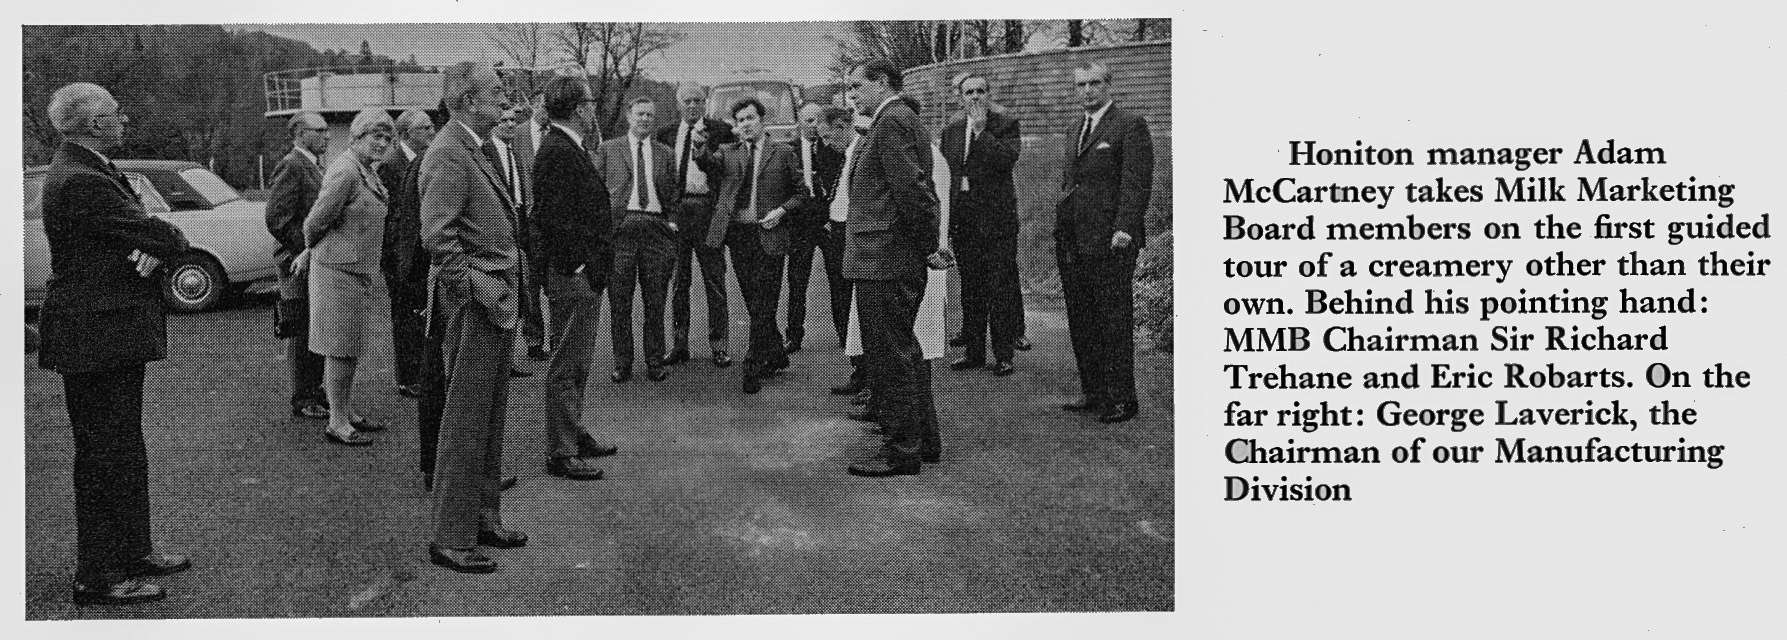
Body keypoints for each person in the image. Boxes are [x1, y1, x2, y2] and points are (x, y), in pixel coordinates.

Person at [38, 82, 193, 605]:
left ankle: (131, 552)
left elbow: (144, 235)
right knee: (105, 455)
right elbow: (162, 235)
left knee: (123, 448)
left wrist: (148, 244)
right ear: (93, 124)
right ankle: (98, 576)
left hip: (107, 333)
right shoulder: (81, 179)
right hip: (95, 335)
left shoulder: (89, 168)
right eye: (115, 114)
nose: (123, 120)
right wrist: (154, 243)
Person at [417, 62, 528, 573]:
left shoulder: (471, 148)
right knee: (464, 422)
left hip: (495, 301)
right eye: (496, 95)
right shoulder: (447, 153)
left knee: (489, 417)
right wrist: (478, 287)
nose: (503, 103)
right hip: (476, 305)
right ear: (466, 102)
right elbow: (437, 241)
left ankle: (483, 517)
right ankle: (451, 537)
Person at [841, 60, 948, 477]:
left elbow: (916, 192)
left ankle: (902, 449)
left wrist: (927, 247)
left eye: (858, 86)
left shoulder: (892, 122)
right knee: (903, 349)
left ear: (882, 83)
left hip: (885, 259)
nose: (853, 95)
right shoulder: (892, 120)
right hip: (882, 257)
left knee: (891, 356)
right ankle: (924, 440)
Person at [530, 75, 618, 482]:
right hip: (572, 276)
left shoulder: (566, 147)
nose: (593, 110)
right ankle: (561, 452)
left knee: (578, 361)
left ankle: (573, 433)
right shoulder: (556, 150)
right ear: (580, 109)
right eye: (589, 103)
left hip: (581, 274)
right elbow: (552, 220)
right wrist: (579, 268)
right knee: (566, 364)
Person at [1056, 61, 1153, 425]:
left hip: (1111, 241)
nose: (1087, 90)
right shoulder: (1074, 128)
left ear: (1108, 85)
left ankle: (1121, 398)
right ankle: (1093, 391)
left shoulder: (1129, 125)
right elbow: (1070, 182)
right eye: (1081, 84)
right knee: (1082, 319)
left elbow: (1136, 181)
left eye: (1094, 83)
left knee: (1113, 321)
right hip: (1074, 241)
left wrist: (1126, 226)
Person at [698, 97, 808, 394]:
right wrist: (700, 147)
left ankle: (752, 364)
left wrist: (782, 211)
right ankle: (776, 353)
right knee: (753, 299)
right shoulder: (727, 152)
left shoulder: (783, 153)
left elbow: (801, 193)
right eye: (740, 120)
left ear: (763, 120)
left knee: (764, 301)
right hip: (739, 237)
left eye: (750, 118)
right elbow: (707, 164)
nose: (745, 124)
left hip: (770, 234)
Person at [301, 109, 396, 446]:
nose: (383, 143)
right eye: (376, 136)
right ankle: (338, 422)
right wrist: (311, 251)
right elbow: (315, 222)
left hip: (357, 271)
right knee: (339, 347)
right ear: (357, 137)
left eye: (387, 138)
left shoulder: (366, 170)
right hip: (338, 271)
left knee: (350, 346)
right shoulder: (345, 171)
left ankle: (346, 409)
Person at [939, 74, 1024, 377]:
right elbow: (947, 178)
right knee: (971, 290)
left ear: (989, 95)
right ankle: (974, 352)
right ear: (960, 98)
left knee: (999, 289)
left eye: (980, 91)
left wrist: (981, 132)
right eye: (968, 92)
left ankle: (1003, 354)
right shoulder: (950, 131)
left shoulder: (1005, 125)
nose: (974, 97)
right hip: (965, 223)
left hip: (997, 222)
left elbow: (1006, 161)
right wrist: (945, 224)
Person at [596, 97, 679, 383]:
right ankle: (622, 362)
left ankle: (655, 361)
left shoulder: (666, 153)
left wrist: (672, 223)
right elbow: (597, 192)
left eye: (650, 115)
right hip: (621, 231)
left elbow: (675, 193)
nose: (645, 119)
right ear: (629, 117)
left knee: (655, 301)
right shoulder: (608, 149)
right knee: (620, 301)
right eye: (640, 114)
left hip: (656, 230)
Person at [654, 84, 736, 369]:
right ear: (678, 104)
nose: (693, 105)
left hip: (707, 209)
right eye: (687, 101)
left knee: (715, 279)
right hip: (677, 211)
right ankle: (679, 344)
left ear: (705, 103)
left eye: (698, 100)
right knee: (680, 281)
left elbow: (727, 171)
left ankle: (720, 344)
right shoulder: (665, 134)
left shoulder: (722, 131)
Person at [265, 111, 331, 420]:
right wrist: (305, 249)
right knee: (302, 329)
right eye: (320, 131)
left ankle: (314, 391)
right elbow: (276, 218)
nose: (327, 136)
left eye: (327, 130)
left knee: (315, 327)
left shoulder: (314, 165)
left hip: (310, 260)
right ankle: (304, 397)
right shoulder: (293, 165)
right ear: (300, 133)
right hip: (298, 263)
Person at [781, 102, 845, 356]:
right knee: (797, 280)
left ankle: (844, 332)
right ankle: (793, 336)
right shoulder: (789, 150)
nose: (813, 126)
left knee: (837, 278)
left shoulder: (832, 148)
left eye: (817, 121)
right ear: (799, 122)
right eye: (807, 121)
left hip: (828, 220)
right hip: (800, 223)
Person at [379, 109, 435, 399]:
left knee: (418, 314)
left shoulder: (420, 161)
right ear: (406, 134)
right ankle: (408, 377)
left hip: (417, 253)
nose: (431, 132)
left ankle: (419, 371)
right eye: (425, 128)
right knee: (404, 316)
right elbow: (390, 217)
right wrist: (397, 260)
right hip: (400, 256)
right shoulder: (392, 165)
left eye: (431, 126)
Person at [816, 107, 867, 397]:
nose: (825, 143)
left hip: (852, 236)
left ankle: (868, 374)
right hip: (837, 233)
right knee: (843, 302)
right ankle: (859, 369)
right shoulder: (847, 153)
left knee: (856, 306)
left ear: (842, 126)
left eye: (827, 135)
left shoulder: (862, 149)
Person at [485, 107, 535, 379]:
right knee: (501, 292)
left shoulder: (514, 153)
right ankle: (497, 361)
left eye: (513, 120)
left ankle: (509, 358)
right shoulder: (486, 152)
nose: (508, 124)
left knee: (520, 291)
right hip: (499, 229)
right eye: (503, 120)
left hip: (520, 227)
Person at [511, 91, 550, 363]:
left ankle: (560, 341)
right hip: (526, 220)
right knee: (529, 284)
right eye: (545, 105)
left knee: (558, 281)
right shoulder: (517, 135)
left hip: (555, 222)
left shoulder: (560, 133)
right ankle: (534, 340)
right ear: (535, 105)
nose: (549, 110)